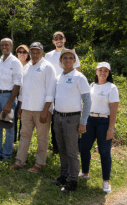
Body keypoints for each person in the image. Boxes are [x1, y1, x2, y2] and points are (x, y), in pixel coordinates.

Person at [11, 42, 56, 173]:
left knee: (42, 138)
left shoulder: (48, 67)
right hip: (26, 108)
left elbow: (50, 91)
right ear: (30, 52)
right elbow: (23, 90)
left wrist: (46, 110)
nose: (35, 54)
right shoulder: (26, 67)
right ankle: (20, 161)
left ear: (42, 53)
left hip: (42, 110)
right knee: (24, 135)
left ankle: (39, 163)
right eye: (33, 52)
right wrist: (20, 107)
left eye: (38, 52)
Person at [52, 48, 91, 193]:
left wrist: (83, 122)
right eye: (65, 58)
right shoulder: (58, 77)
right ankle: (64, 175)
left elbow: (87, 102)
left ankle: (73, 180)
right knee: (61, 148)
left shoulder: (79, 77)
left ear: (75, 61)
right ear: (60, 61)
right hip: (58, 117)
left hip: (72, 119)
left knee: (72, 151)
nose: (67, 60)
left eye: (70, 58)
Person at [79, 62, 119, 193]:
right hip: (90, 120)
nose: (103, 72)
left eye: (106, 70)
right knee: (84, 147)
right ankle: (85, 172)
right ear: (96, 71)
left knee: (104, 152)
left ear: (109, 73)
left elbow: (113, 111)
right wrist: (83, 121)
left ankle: (106, 181)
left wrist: (110, 129)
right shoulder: (91, 86)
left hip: (104, 122)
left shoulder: (112, 88)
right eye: (100, 70)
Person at [45, 31, 81, 154]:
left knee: (70, 119)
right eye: (56, 38)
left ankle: (73, 147)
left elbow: (78, 72)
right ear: (53, 41)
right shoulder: (48, 56)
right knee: (55, 119)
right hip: (53, 91)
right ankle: (56, 147)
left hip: (68, 91)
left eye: (61, 38)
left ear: (64, 40)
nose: (59, 40)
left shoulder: (71, 54)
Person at [0, 38, 23, 159]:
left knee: (8, 126)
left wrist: (10, 102)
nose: (4, 47)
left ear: (11, 46)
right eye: (2, 45)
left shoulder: (15, 62)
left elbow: (17, 84)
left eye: (7, 45)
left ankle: (7, 154)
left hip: (8, 96)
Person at [13, 44, 30, 143]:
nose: (22, 54)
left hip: (27, 96)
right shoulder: (14, 65)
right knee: (13, 118)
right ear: (17, 54)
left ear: (28, 54)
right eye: (20, 52)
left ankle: (22, 142)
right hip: (14, 95)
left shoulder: (31, 65)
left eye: (24, 52)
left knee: (24, 121)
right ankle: (13, 141)